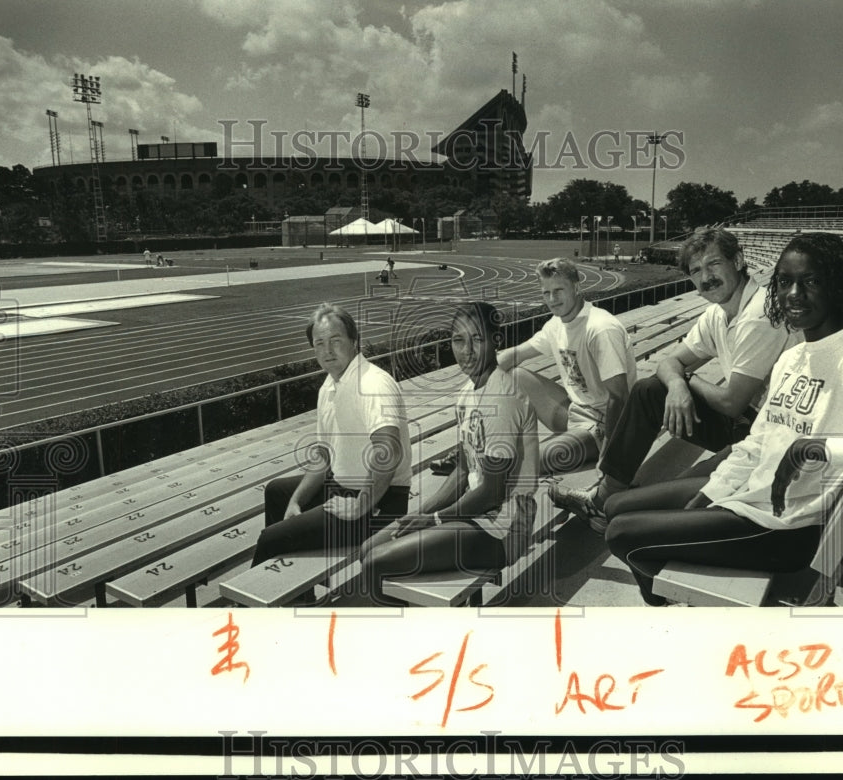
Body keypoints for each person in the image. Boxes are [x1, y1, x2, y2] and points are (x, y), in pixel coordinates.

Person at [603, 233, 843, 606]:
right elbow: (757, 442)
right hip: (750, 496)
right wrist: (711, 492)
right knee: (615, 507)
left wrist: (817, 448)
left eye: (812, 281)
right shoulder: (794, 356)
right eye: (785, 282)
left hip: (785, 528)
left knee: (622, 533)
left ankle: (670, 607)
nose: (794, 294)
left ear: (838, 285)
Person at [550, 228, 796, 531]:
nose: (706, 277)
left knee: (673, 498)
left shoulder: (759, 313)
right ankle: (606, 495)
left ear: (739, 260)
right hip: (746, 421)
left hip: (767, 432)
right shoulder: (718, 313)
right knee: (650, 390)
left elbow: (732, 402)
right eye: (696, 270)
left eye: (714, 264)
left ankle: (609, 507)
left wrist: (687, 379)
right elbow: (670, 362)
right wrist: (677, 385)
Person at [359, 302, 539, 605]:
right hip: (474, 516)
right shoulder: (467, 393)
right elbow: (463, 470)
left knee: (375, 562)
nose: (466, 350)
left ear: (497, 341)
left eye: (477, 339)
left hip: (504, 527)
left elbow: (493, 493)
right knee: (367, 549)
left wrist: (435, 519)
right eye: (458, 340)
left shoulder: (502, 398)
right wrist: (422, 512)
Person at [251, 303, 412, 568]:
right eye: (319, 343)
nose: (327, 351)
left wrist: (361, 505)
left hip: (382, 502)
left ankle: (250, 604)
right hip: (344, 487)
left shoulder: (372, 384)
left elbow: (389, 452)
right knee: (277, 493)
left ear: (354, 341)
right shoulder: (329, 385)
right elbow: (324, 457)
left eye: (335, 340)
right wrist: (295, 502)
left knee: (271, 538)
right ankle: (294, 589)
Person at [496, 257, 636, 475]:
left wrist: (609, 453)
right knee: (512, 374)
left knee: (528, 465)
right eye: (546, 293)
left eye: (559, 290)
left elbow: (619, 397)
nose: (552, 299)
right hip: (574, 411)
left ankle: (484, 463)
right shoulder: (556, 325)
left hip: (605, 422)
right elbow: (514, 355)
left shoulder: (600, 328)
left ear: (577, 287)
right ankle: (483, 443)